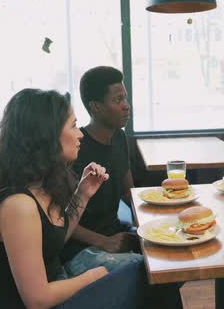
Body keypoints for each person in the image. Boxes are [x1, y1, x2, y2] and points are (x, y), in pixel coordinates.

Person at [0, 88, 144, 308]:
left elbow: (55, 239)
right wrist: (95, 276)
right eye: (73, 126)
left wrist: (83, 193)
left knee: (149, 270)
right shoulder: (18, 206)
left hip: (59, 285)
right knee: (149, 277)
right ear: (46, 135)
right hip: (49, 302)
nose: (80, 134)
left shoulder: (36, 184)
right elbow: (37, 299)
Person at [60, 66, 182, 308]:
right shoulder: (75, 150)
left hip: (115, 231)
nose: (126, 105)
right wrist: (103, 242)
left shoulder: (119, 138)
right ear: (95, 107)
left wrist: (156, 219)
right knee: (156, 277)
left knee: (176, 258)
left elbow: (129, 192)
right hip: (82, 249)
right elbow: (59, 223)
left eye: (125, 98)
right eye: (118, 100)